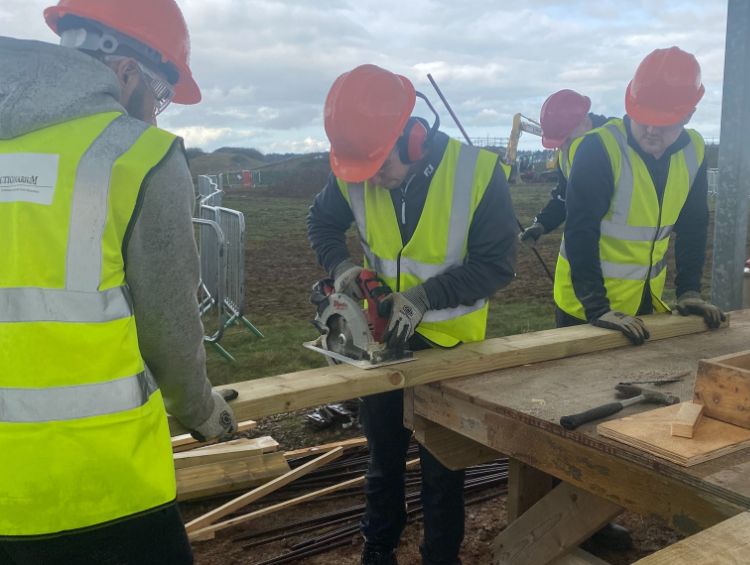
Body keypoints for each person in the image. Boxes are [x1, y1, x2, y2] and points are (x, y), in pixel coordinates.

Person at [0, 1, 237, 563]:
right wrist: (202, 413)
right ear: (124, 70)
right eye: (157, 94)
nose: (155, 113)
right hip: (103, 488)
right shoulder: (137, 156)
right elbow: (170, 329)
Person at [307, 64, 517, 565]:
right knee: (382, 459)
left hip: (451, 349)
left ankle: (439, 558)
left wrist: (423, 298)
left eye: (381, 167)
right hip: (379, 350)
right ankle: (378, 548)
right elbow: (321, 221)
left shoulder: (478, 174)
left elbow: (497, 265)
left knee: (444, 469)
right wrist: (342, 268)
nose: (372, 181)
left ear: (415, 138)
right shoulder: (357, 170)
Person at [554, 46, 725, 345]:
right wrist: (597, 307)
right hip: (584, 306)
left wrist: (689, 291)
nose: (649, 130)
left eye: (662, 122)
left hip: (643, 302)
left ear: (689, 114)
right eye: (642, 117)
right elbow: (581, 230)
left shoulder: (693, 151)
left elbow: (694, 225)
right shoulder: (599, 149)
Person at [519, 89, 610, 244]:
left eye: (566, 140)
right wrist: (541, 224)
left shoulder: (618, 145)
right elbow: (564, 198)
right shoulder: (567, 154)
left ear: (586, 123)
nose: (563, 148)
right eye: (559, 144)